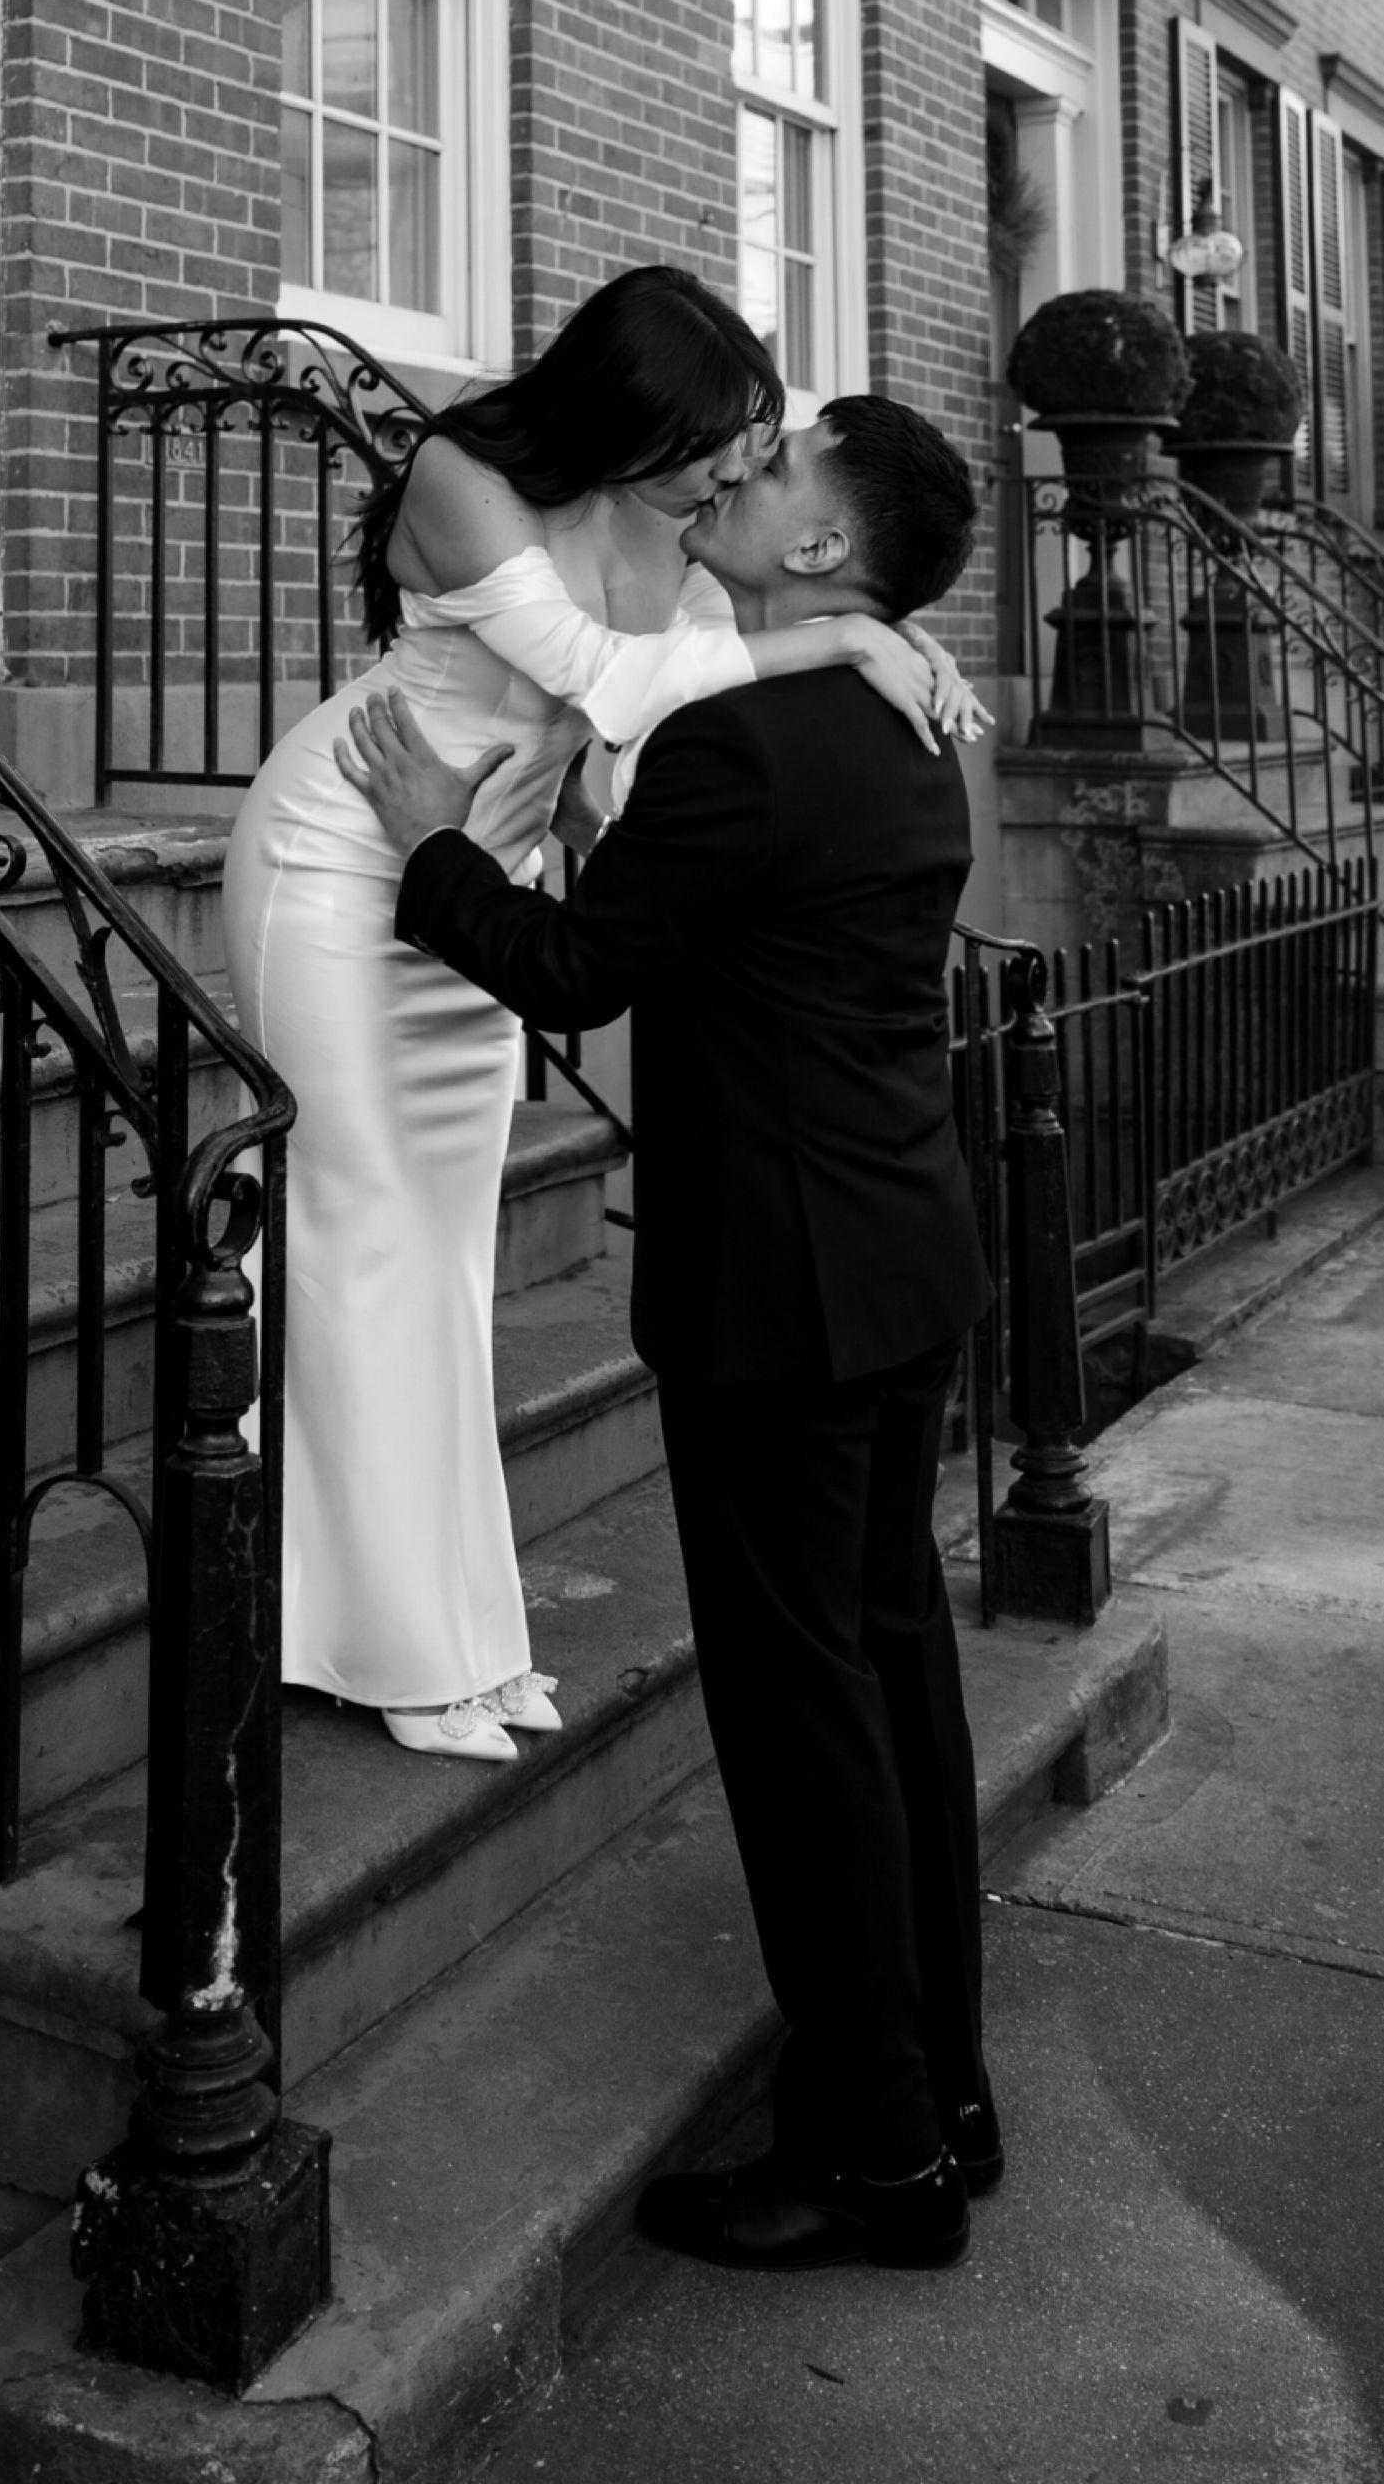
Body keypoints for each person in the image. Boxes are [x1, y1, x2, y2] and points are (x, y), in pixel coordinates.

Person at [336, 396, 998, 2276]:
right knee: (893, 1679)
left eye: (776, 466)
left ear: (821, 549)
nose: (736, 470)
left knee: (801, 1726)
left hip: (779, 1300)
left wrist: (430, 840)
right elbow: (723, 915)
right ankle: (939, 2091)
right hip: (900, 1262)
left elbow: (574, 973)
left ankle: (874, 2161)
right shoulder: (897, 720)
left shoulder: (750, 739)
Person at [225, 272, 981, 1768]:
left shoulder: (682, 530)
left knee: (437, 1261)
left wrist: (893, 636)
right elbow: (602, 679)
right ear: (631, 416)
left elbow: (641, 741)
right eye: (721, 437)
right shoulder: (459, 475)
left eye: (759, 441)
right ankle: (387, 1646)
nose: (736, 467)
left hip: (474, 891)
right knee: (360, 1235)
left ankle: (445, 1630)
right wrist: (845, 643)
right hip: (345, 860)